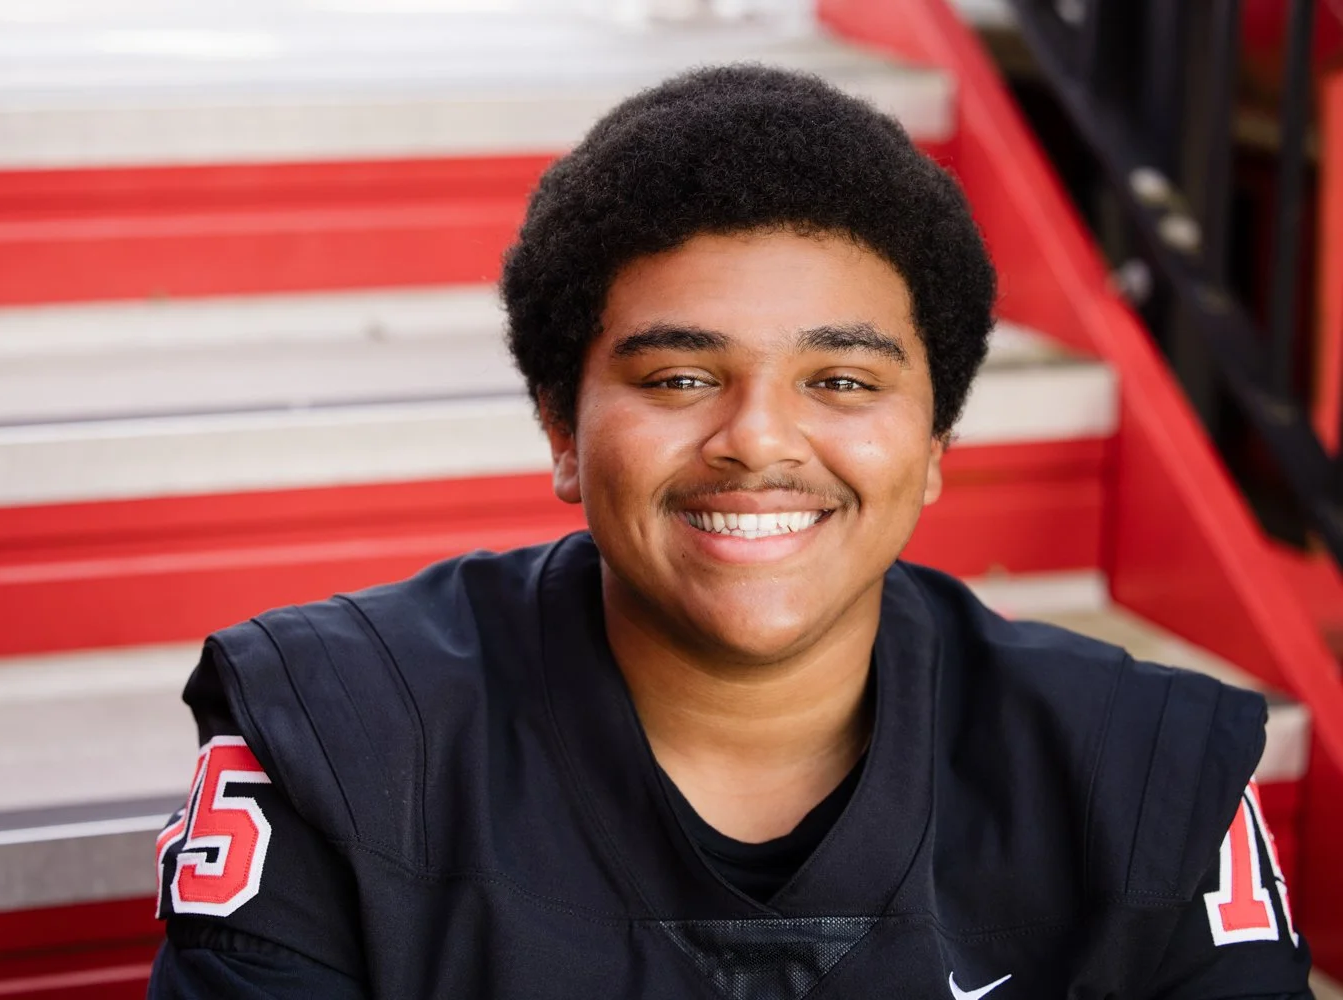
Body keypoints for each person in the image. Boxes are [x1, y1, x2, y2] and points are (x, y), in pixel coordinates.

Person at [147, 66, 1313, 998]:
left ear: (936, 441)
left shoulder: (1137, 772)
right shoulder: (344, 738)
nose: (758, 441)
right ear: (563, 426)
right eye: (680, 377)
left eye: (844, 382)